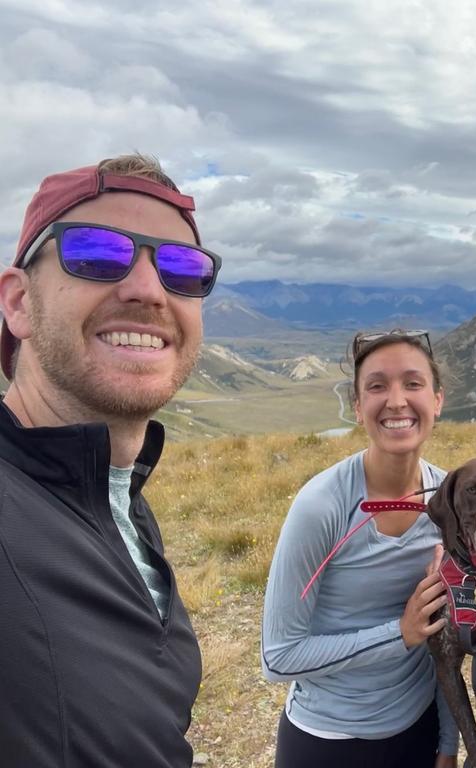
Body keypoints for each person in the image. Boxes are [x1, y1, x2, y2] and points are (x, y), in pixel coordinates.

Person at [0, 155, 220, 765]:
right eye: (95, 253)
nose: (148, 289)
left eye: (181, 268)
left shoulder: (118, 498)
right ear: (17, 303)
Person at [261, 329, 458, 768]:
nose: (396, 401)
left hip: (418, 729)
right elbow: (278, 657)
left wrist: (448, 743)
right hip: (327, 741)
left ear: (437, 400)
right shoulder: (322, 505)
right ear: (356, 406)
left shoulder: (451, 500)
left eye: (413, 383)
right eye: (376, 386)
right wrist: (400, 633)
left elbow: (442, 636)